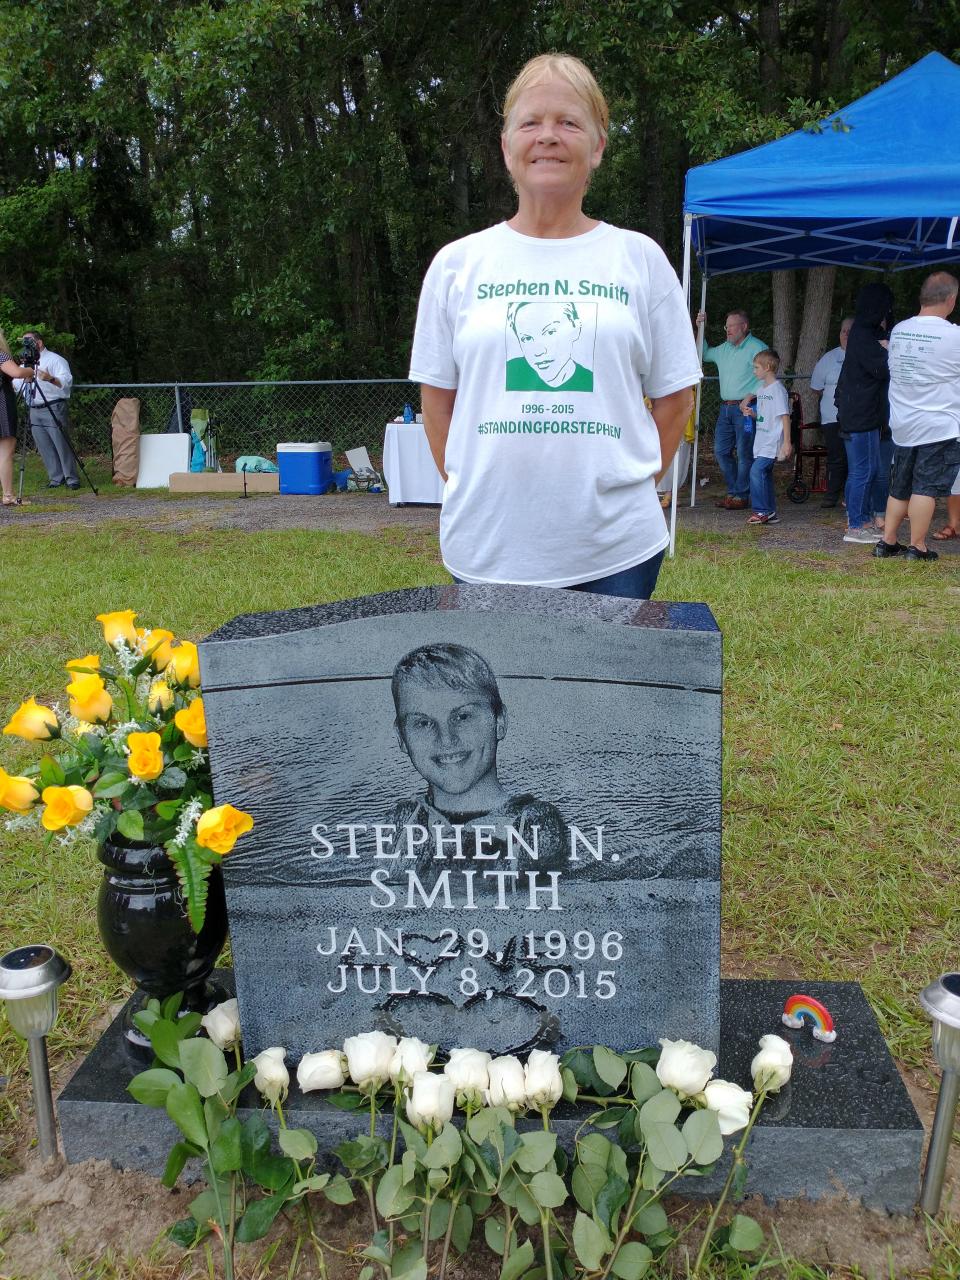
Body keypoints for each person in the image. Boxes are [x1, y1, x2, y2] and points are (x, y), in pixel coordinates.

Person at [409, 54, 700, 601]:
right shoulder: (457, 265)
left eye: (569, 122)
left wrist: (631, 488)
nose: (548, 137)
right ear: (506, 148)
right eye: (530, 122)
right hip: (487, 545)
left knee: (607, 689)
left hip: (617, 550)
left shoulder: (639, 259)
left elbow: (676, 398)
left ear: (597, 148)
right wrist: (474, 488)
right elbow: (437, 400)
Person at [387, 643, 566, 877]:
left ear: (499, 721)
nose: (446, 740)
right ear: (402, 738)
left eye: (463, 716)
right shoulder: (404, 819)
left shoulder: (532, 823)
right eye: (423, 722)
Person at [873, 271, 960, 562]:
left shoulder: (899, 330)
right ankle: (918, 546)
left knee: (901, 485)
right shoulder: (953, 335)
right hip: (939, 425)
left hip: (903, 424)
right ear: (951, 299)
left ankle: (887, 541)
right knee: (925, 487)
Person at [834, 283, 893, 544]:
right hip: (861, 414)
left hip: (863, 412)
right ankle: (856, 525)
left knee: (868, 469)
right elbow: (882, 369)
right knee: (863, 470)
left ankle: (864, 520)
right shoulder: (863, 336)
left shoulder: (864, 332)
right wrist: (888, 350)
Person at [696, 309, 768, 510]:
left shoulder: (757, 347)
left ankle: (740, 495)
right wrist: (701, 327)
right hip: (726, 409)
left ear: (743, 327)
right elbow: (702, 353)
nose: (727, 330)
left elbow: (769, 375)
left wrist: (750, 395)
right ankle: (736, 491)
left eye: (731, 326)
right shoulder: (724, 349)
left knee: (745, 453)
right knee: (721, 452)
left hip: (746, 409)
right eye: (726, 326)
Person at [16, 330, 77, 489]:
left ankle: (71, 478)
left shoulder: (56, 360)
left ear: (39, 342)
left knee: (61, 443)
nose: (25, 345)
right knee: (44, 445)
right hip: (34, 407)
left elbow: (66, 381)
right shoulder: (24, 364)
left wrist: (50, 378)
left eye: (28, 341)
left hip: (53, 406)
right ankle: (56, 478)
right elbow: (16, 384)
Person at [741, 349, 792, 525]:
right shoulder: (761, 390)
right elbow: (763, 415)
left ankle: (761, 510)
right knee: (764, 474)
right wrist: (752, 414)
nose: (754, 371)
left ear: (768, 367)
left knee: (756, 470)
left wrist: (786, 442)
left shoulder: (777, 390)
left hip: (773, 440)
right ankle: (769, 511)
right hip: (761, 439)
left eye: (756, 367)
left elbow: (784, 416)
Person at [809, 317, 853, 507]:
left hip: (857, 417)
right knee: (836, 456)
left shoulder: (865, 354)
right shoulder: (829, 358)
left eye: (851, 331)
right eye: (844, 331)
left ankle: (851, 497)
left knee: (855, 457)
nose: (847, 335)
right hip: (832, 416)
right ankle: (831, 494)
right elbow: (817, 387)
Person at [0, 330, 35, 506]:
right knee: (6, 452)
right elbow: (16, 373)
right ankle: (8, 495)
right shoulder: (1, 356)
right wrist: (30, 369)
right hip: (2, 404)